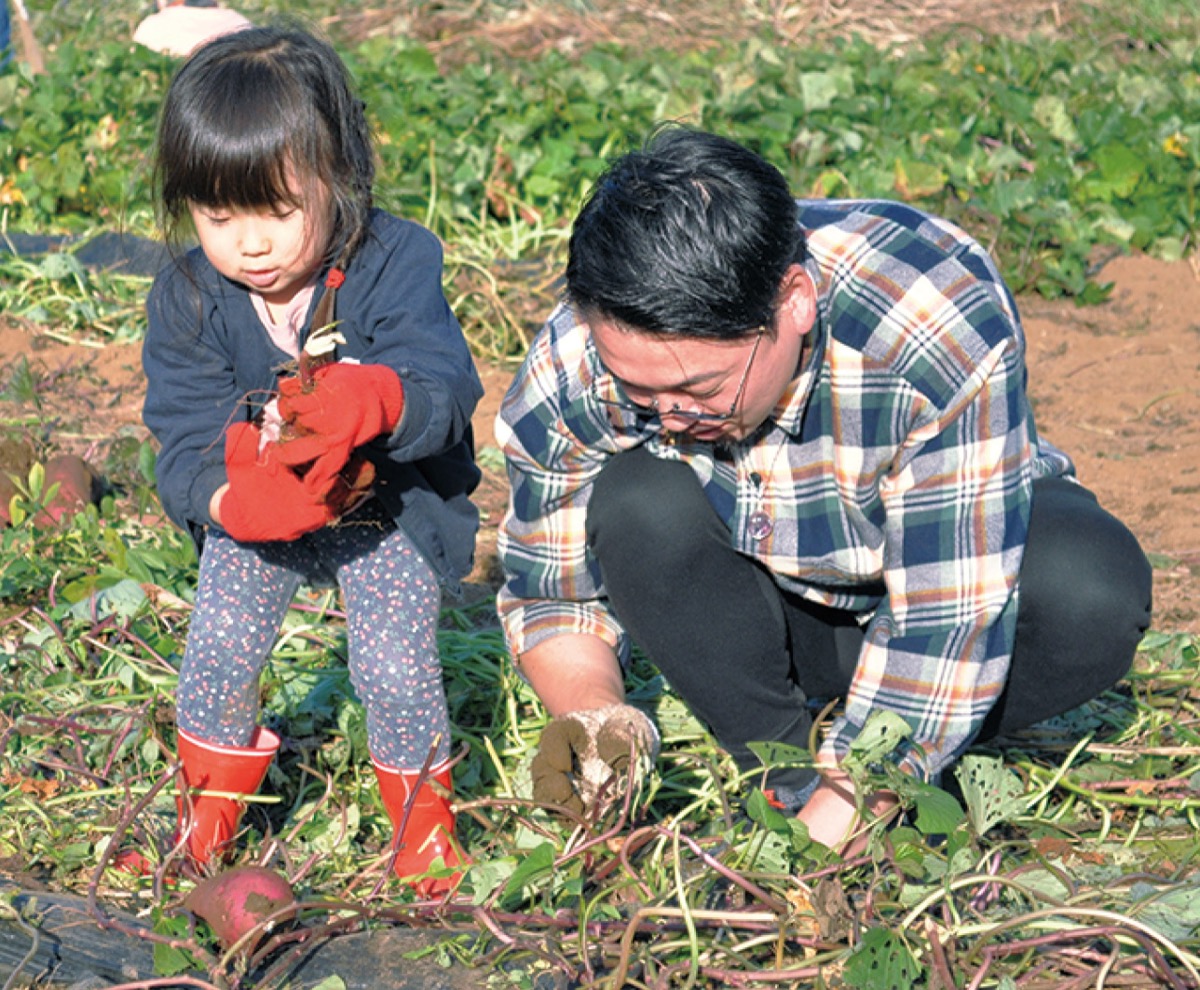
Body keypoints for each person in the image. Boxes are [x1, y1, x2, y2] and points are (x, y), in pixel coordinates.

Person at [495, 125, 1152, 853]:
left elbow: (948, 617)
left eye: (698, 390)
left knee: (1092, 594)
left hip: (943, 568)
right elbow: (550, 588)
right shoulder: (583, 354)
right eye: (640, 393)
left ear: (795, 302)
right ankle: (777, 766)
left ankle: (888, 773)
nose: (670, 417)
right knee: (636, 502)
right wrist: (597, 720)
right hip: (769, 604)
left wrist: (820, 845)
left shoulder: (932, 320)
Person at [140, 25, 482, 894]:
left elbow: (443, 385)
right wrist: (227, 503)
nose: (250, 244)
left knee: (394, 666)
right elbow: (181, 435)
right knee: (217, 648)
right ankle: (203, 820)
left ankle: (422, 831)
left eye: (278, 212)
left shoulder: (396, 260)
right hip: (266, 504)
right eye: (219, 217)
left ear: (340, 177)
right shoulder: (186, 297)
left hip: (383, 506)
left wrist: (379, 399)